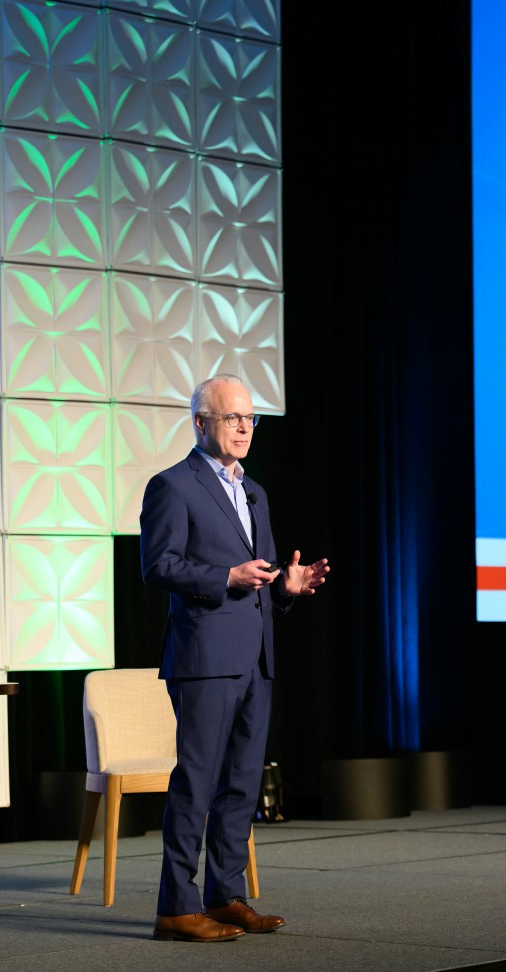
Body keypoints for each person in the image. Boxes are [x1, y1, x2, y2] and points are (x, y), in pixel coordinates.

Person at [140, 373, 329, 943]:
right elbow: (158, 566)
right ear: (201, 423)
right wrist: (223, 576)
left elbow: (260, 579)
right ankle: (176, 906)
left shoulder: (255, 492)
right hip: (204, 657)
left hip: (256, 656)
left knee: (242, 785)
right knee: (196, 783)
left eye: (251, 418)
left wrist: (285, 591)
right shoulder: (173, 485)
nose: (245, 428)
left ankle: (224, 896)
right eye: (232, 418)